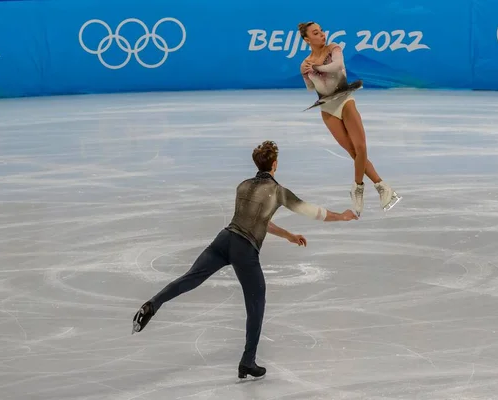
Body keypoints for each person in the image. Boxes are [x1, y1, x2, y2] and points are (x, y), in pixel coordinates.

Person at [131, 140, 358, 380]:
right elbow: (312, 211)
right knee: (256, 303)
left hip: (223, 240)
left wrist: (288, 236)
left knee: (190, 278)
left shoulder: (243, 186)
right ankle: (247, 362)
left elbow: (257, 219)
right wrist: (342, 216)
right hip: (245, 250)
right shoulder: (278, 192)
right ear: (275, 164)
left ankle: (152, 305)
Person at [298, 21, 402, 216]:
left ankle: (358, 187)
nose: (321, 34)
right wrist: (305, 72)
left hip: (345, 100)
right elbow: (311, 88)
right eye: (315, 32)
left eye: (321, 30)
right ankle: (382, 186)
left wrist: (317, 66)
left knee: (361, 148)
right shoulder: (306, 62)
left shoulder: (333, 48)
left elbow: (338, 66)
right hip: (327, 110)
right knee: (354, 153)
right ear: (307, 39)